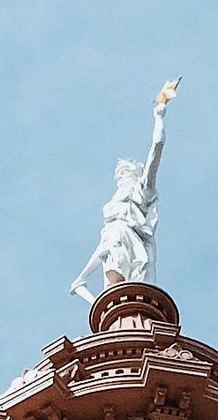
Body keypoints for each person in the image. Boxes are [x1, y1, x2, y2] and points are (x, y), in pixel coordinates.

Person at [73, 78, 180, 297]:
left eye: (124, 173)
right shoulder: (114, 216)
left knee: (128, 288)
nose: (120, 178)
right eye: (119, 175)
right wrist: (83, 275)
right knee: (116, 290)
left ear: (135, 174)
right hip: (116, 245)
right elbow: (104, 247)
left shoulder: (143, 190)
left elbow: (157, 147)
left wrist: (159, 117)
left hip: (136, 248)